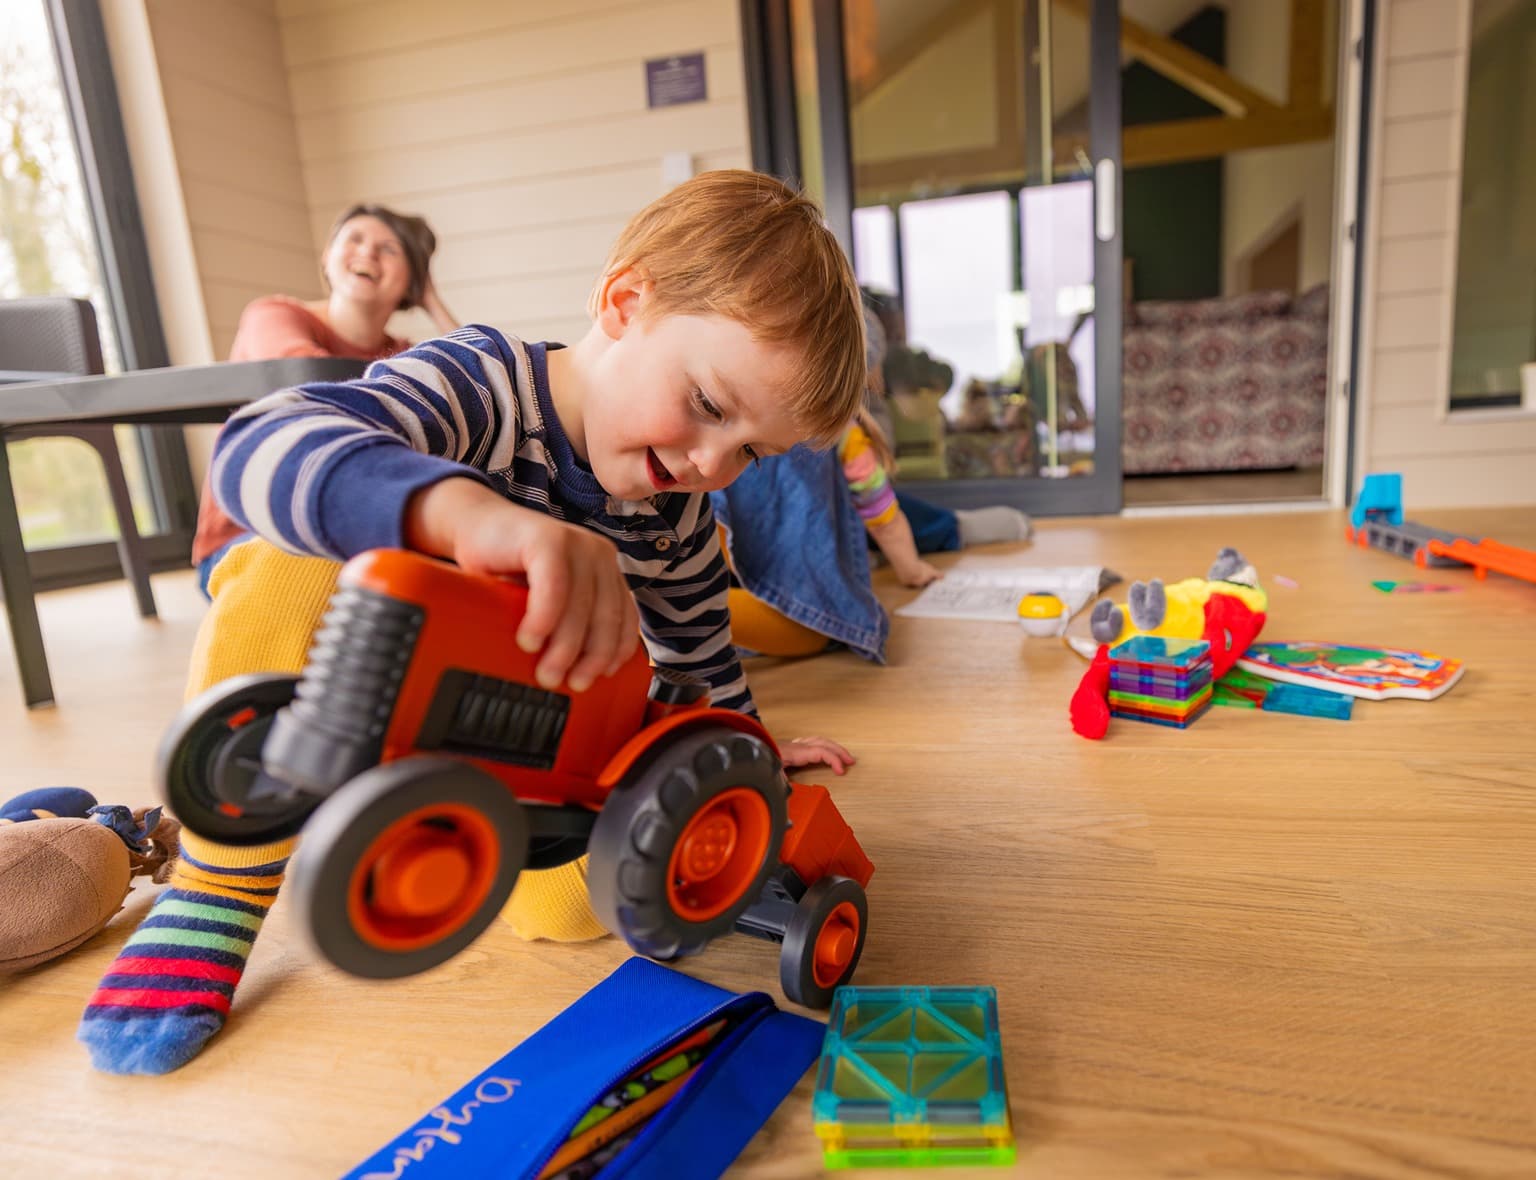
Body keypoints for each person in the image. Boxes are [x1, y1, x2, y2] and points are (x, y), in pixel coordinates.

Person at [78, 171, 866, 1076]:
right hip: (349, 647)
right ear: (624, 302)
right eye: (709, 407)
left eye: (749, 454)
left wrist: (752, 759)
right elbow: (262, 445)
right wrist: (463, 515)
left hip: (481, 727)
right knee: (287, 559)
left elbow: (697, 660)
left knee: (587, 902)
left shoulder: (677, 521)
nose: (708, 466)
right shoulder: (479, 383)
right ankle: (222, 875)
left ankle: (401, 832)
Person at [712, 303, 1033, 662]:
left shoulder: (723, 409)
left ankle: (682, 607)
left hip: (705, 559)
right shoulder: (847, 436)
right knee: (820, 625)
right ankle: (697, 610)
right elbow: (885, 519)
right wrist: (911, 570)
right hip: (771, 589)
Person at [192, 203, 460, 596]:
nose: (367, 252)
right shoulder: (275, 316)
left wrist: (433, 303)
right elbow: (307, 378)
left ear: (412, 283)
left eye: (388, 249)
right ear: (327, 257)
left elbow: (476, 381)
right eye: (354, 239)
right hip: (248, 541)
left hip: (357, 530)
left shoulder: (404, 354)